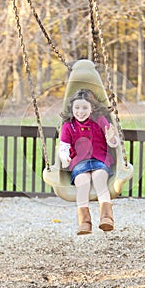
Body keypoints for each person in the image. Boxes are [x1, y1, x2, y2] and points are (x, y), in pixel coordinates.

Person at [58, 88, 118, 235]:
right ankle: (84, 222)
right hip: (79, 162)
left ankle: (106, 218)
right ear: (72, 109)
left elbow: (113, 143)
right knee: (82, 184)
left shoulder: (100, 121)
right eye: (77, 108)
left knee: (99, 180)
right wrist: (64, 158)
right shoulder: (68, 125)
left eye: (85, 107)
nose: (81, 111)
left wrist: (111, 138)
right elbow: (63, 147)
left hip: (99, 159)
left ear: (92, 108)